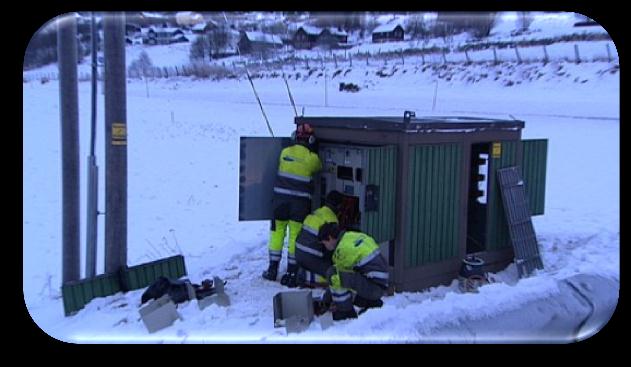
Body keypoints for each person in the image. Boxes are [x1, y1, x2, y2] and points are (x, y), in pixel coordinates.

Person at [262, 123, 322, 284]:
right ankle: (292, 272)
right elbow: (319, 167)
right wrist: (314, 148)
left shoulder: (284, 152)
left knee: (276, 234)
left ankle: (272, 269)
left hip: (279, 203)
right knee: (295, 236)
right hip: (299, 205)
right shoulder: (312, 158)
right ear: (310, 140)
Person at [318, 223, 389, 321]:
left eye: (324, 243)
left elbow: (336, 278)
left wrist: (326, 301)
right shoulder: (350, 236)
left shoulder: (341, 251)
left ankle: (345, 312)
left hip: (375, 288)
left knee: (334, 275)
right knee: (345, 277)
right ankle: (371, 302)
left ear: (329, 238)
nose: (325, 247)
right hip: (380, 283)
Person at [289, 190, 345, 288]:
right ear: (339, 206)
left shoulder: (317, 212)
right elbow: (331, 249)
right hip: (311, 257)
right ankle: (306, 277)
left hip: (298, 253)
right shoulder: (332, 220)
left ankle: (304, 271)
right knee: (334, 276)